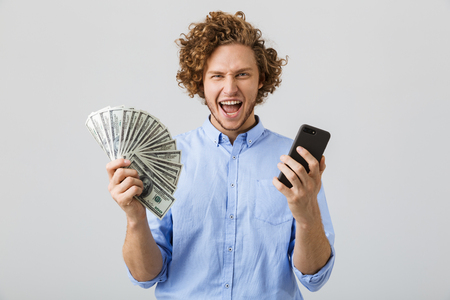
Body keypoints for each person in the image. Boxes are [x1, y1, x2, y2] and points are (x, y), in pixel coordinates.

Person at [106, 11, 335, 299]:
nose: (230, 88)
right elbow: (146, 275)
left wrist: (306, 217)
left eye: (242, 74)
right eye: (217, 76)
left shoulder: (295, 163)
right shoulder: (167, 158)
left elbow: (315, 277)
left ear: (261, 79)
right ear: (200, 82)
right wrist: (135, 219)